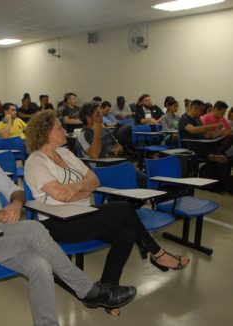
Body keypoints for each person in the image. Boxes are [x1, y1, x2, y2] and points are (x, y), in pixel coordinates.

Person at [0, 112, 137, 326]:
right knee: (33, 228)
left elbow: (15, 190)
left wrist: (15, 203)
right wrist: (2, 214)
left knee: (40, 265)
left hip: (3, 237)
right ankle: (89, 290)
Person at [24, 110, 189, 314]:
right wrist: (83, 189)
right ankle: (157, 253)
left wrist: (76, 188)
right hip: (59, 224)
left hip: (85, 215)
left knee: (127, 234)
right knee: (123, 208)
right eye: (59, 127)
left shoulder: (66, 153)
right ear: (46, 132)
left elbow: (95, 180)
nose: (63, 130)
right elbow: (61, 196)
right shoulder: (36, 161)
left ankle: (106, 292)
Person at [179, 99, 233, 192]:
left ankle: (222, 184)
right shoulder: (184, 119)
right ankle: (228, 186)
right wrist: (213, 126)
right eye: (201, 110)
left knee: (224, 155)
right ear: (195, 108)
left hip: (204, 143)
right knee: (221, 157)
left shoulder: (197, 120)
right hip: (192, 147)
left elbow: (203, 134)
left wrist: (212, 135)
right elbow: (193, 130)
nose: (202, 113)